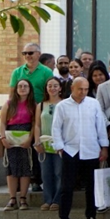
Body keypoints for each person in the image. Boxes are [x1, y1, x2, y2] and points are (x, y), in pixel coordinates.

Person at [52, 77, 110, 219]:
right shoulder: (62, 106)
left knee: (91, 187)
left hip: (91, 150)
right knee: (66, 187)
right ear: (72, 88)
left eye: (86, 89)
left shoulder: (93, 103)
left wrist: (104, 147)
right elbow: (56, 127)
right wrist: (60, 147)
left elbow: (100, 126)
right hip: (70, 150)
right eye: (80, 89)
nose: (83, 92)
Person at [0, 79, 37, 210]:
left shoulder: (33, 105)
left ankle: (23, 198)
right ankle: (12, 198)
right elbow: (3, 123)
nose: (22, 88)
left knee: (25, 168)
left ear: (30, 89)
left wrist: (30, 139)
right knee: (11, 168)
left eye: (25, 86)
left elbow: (34, 124)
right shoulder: (9, 104)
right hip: (10, 139)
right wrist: (3, 138)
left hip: (25, 139)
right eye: (20, 86)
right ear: (16, 89)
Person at [35, 77, 65, 211]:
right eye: (49, 86)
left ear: (60, 88)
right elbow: (37, 125)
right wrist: (37, 141)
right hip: (44, 143)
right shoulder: (41, 105)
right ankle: (47, 199)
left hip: (59, 143)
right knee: (45, 172)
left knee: (59, 172)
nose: (52, 88)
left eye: (55, 85)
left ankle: (57, 200)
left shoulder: (65, 104)